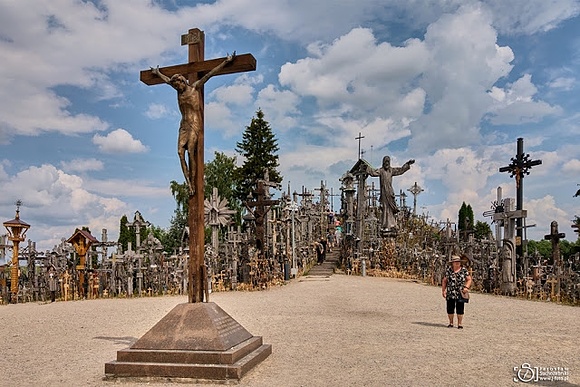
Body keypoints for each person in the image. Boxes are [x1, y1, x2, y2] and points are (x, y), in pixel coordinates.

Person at [151, 52, 236, 196]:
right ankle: (189, 184)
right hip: (183, 124)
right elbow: (166, 80)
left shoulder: (195, 87)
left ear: (183, 82)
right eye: (175, 86)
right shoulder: (178, 90)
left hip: (194, 123)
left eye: (178, 85)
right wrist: (157, 72)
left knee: (191, 151)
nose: (177, 88)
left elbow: (210, 74)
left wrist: (226, 62)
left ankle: (194, 184)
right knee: (180, 153)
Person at [367, 156, 414, 230]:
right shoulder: (381, 171)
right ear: (383, 163)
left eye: (388, 162)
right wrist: (367, 168)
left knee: (391, 209)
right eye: (385, 162)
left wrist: (407, 164)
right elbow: (373, 172)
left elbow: (400, 170)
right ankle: (385, 224)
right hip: (384, 193)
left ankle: (392, 223)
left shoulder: (391, 170)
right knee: (385, 208)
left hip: (390, 192)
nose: (387, 163)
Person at [441, 255, 472, 329]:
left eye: (458, 262)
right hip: (450, 292)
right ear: (452, 263)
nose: (457, 263)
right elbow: (444, 281)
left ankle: (460, 324)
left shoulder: (464, 270)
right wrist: (443, 290)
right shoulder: (449, 270)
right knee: (450, 308)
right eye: (455, 262)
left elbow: (469, 279)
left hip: (460, 292)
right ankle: (451, 323)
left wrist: (466, 287)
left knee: (460, 308)